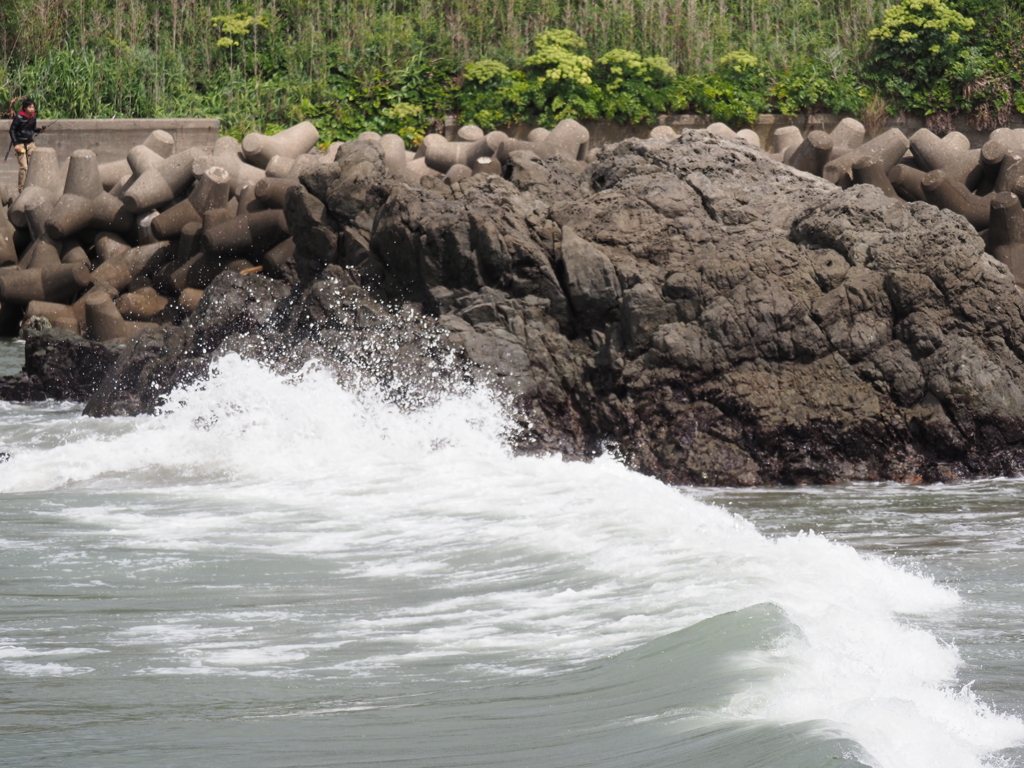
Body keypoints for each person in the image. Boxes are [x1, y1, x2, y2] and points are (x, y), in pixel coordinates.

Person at [9, 98, 45, 194]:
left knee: (36, 161)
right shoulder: (19, 117)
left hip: (30, 142)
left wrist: (39, 130)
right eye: (30, 107)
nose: (32, 109)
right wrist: (16, 144)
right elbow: (12, 130)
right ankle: (21, 189)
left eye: (33, 107)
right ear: (25, 108)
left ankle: (34, 184)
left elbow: (32, 129)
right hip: (20, 143)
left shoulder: (33, 117)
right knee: (24, 167)